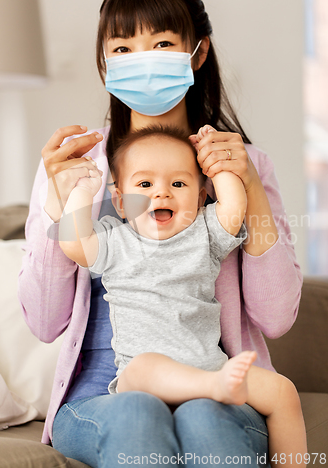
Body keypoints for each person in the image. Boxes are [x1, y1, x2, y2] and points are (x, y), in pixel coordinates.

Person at [18, 0, 303, 467]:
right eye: (123, 48)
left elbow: (276, 318)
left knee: (204, 418)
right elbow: (45, 323)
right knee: (137, 414)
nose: (142, 61)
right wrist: (54, 210)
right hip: (101, 398)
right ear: (104, 64)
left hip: (216, 389)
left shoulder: (244, 167)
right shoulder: (77, 167)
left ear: (199, 51)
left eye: (163, 42)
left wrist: (250, 188)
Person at [58, 123, 307, 467]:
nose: (162, 194)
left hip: (211, 366)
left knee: (283, 392)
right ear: (120, 201)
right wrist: (84, 188)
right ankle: (211, 387)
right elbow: (72, 241)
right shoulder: (115, 241)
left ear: (202, 195)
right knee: (143, 366)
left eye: (178, 183)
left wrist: (216, 164)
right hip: (147, 377)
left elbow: (234, 205)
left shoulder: (205, 232)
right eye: (145, 184)